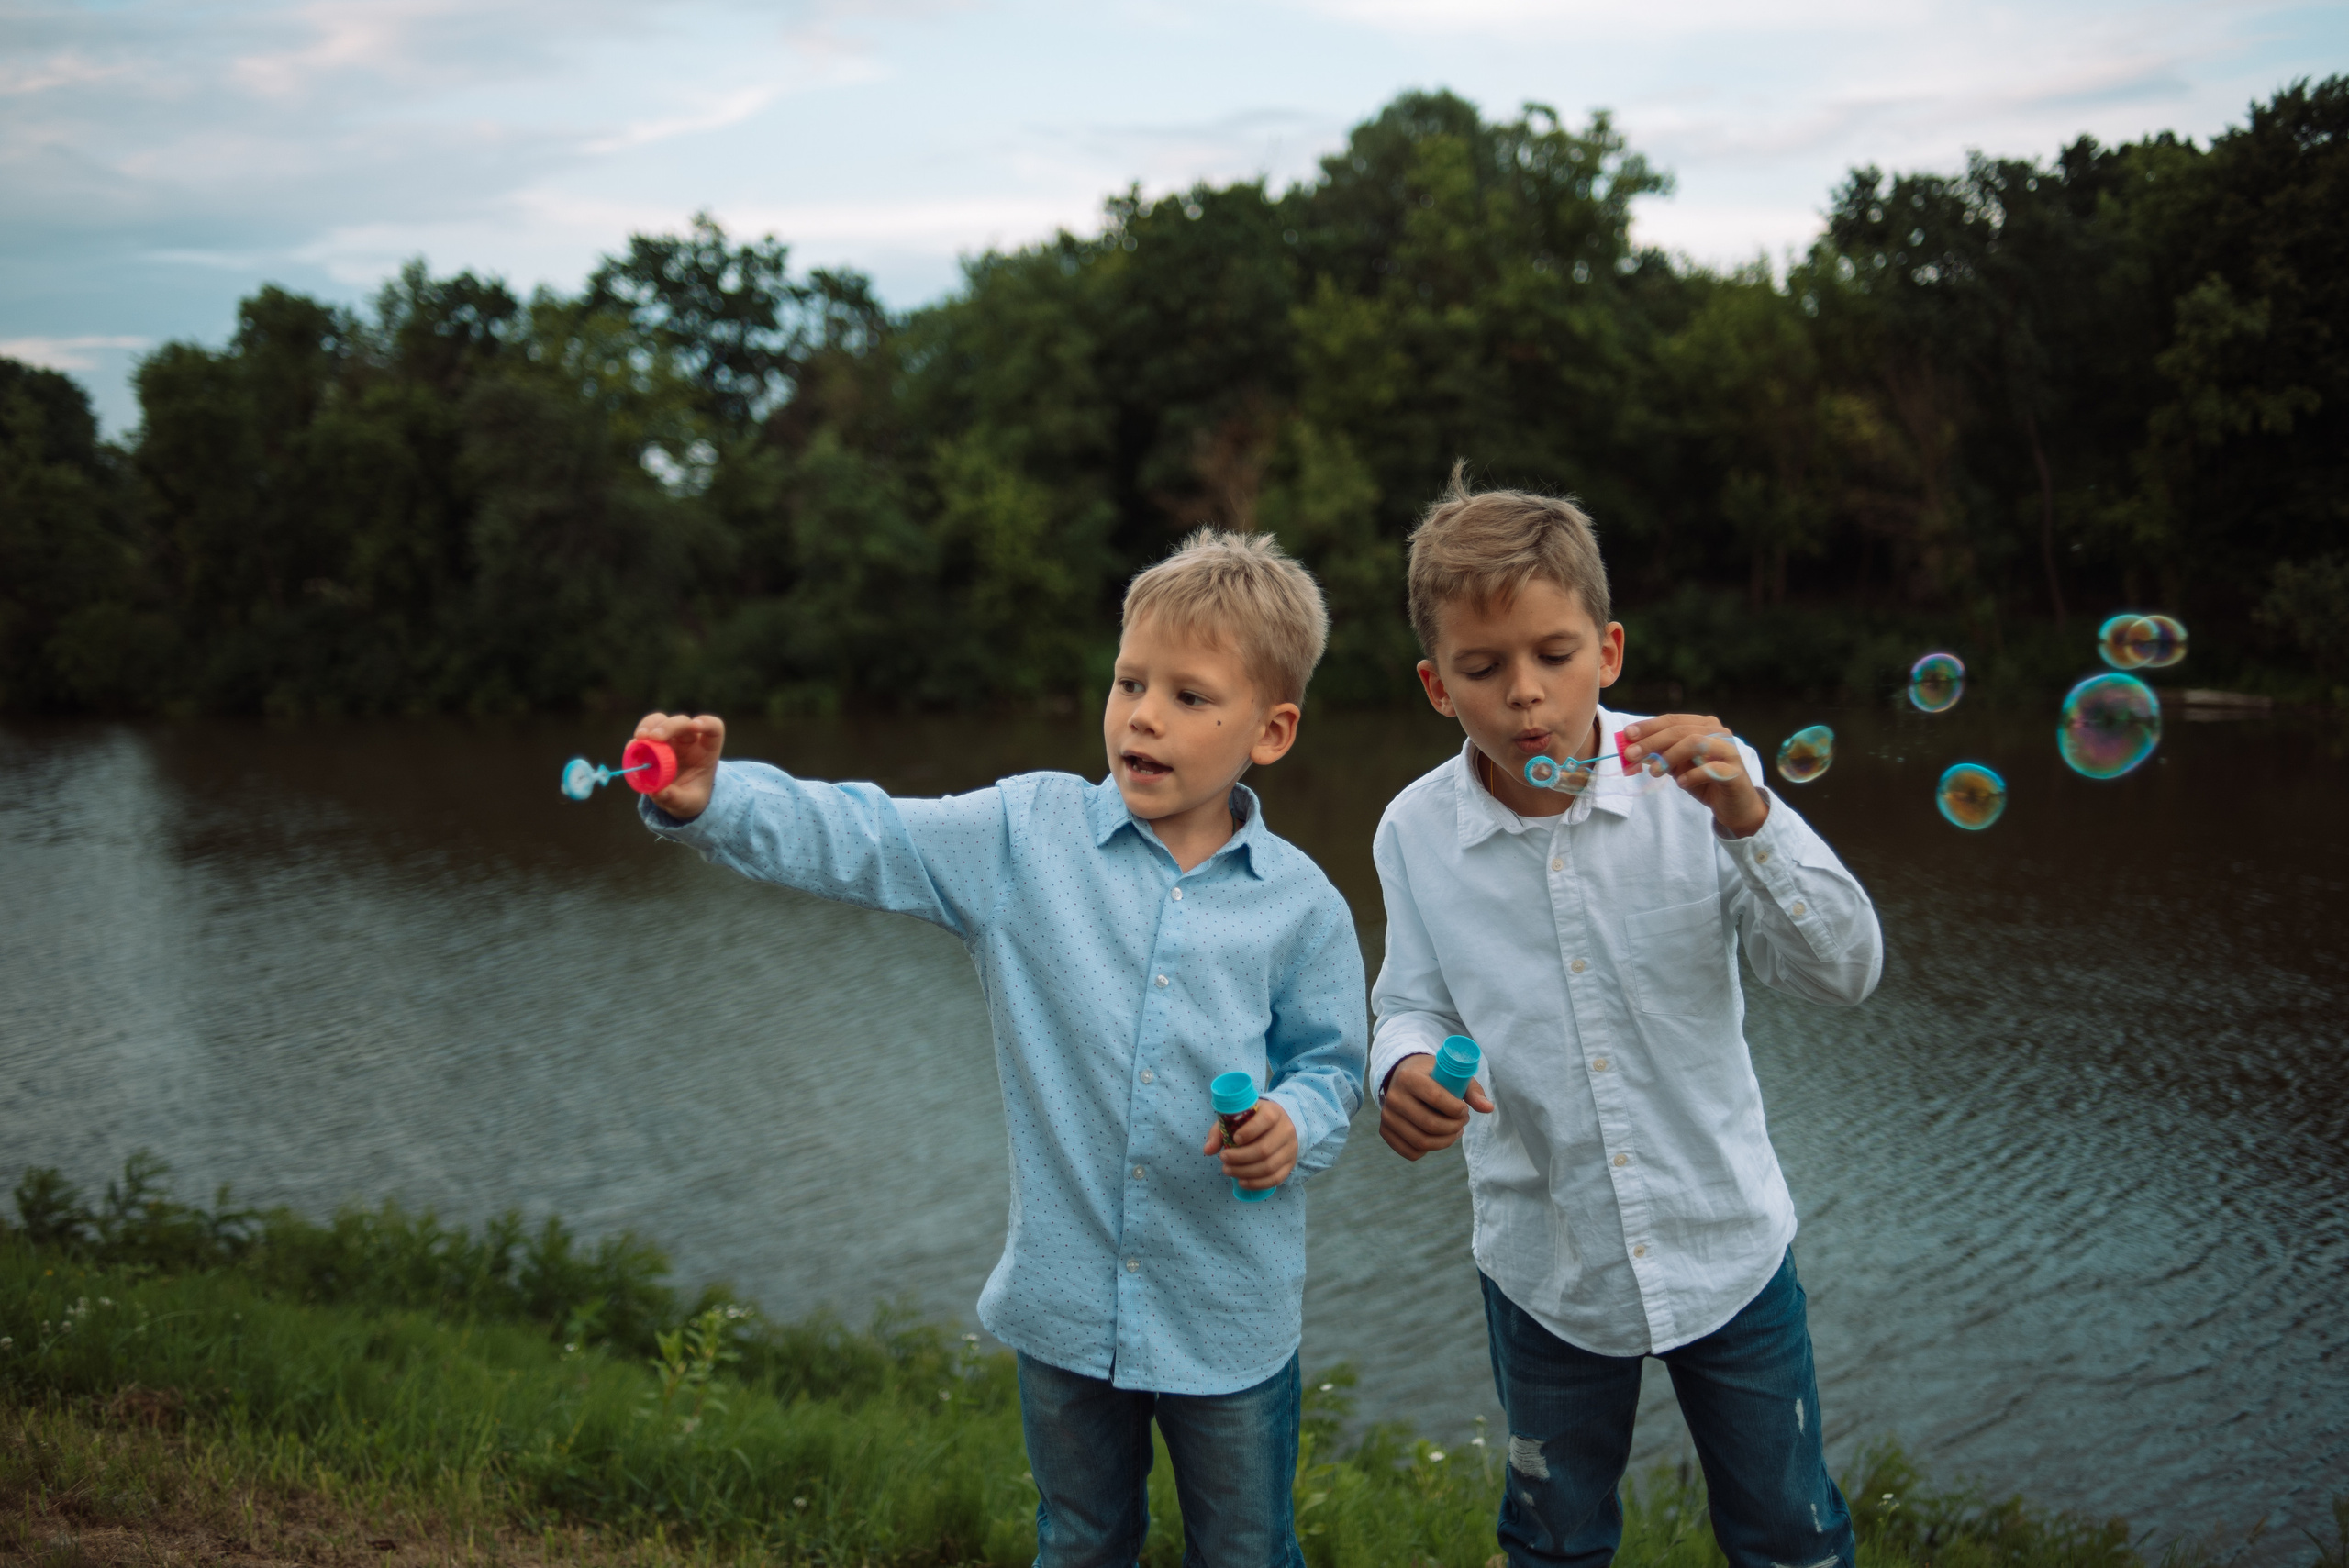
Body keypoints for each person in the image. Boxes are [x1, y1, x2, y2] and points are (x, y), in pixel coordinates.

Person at [631, 528, 1365, 1568]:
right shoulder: (1026, 835)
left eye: (1190, 696)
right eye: (1129, 681)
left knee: (1248, 1549)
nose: (1144, 714)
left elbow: (1332, 1065)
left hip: (1228, 1317)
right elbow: (868, 834)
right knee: (1078, 1541)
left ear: (1272, 728)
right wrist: (713, 798)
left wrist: (1297, 1122)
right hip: (1063, 1315)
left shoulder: (1302, 906)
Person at [1369, 472, 1883, 1568]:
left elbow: (1845, 971)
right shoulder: (1413, 830)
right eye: (1483, 666)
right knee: (1553, 1540)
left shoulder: (1696, 783)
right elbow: (1409, 998)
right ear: (1434, 684)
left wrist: (1749, 818)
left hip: (1726, 1247)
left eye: (1553, 656)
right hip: (1545, 1261)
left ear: (1606, 651)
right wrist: (1402, 1067)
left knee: (1790, 1533)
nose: (1525, 695)